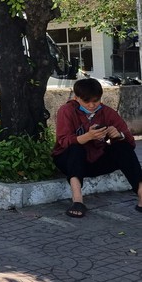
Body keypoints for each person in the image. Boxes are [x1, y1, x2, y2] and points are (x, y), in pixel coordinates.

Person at [52, 78, 142, 218]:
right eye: (87, 101)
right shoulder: (67, 110)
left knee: (122, 147)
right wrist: (88, 136)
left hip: (96, 158)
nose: (92, 105)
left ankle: (141, 194)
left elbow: (130, 142)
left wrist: (118, 135)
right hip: (69, 160)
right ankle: (77, 200)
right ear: (77, 98)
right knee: (76, 148)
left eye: (96, 101)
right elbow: (63, 141)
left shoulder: (107, 112)